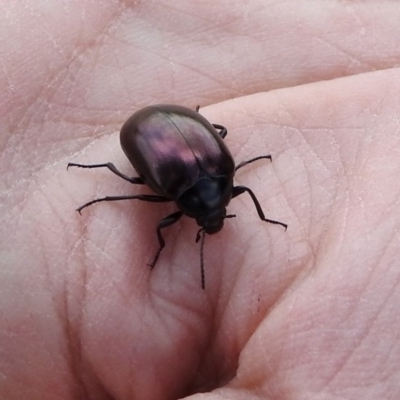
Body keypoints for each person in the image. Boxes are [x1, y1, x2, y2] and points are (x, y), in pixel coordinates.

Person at [1, 2, 400, 399]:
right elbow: (160, 212)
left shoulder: (221, 173)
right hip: (156, 127)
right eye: (216, 215)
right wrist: (109, 198)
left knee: (153, 191)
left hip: (162, 128)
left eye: (213, 216)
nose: (216, 221)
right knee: (133, 184)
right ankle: (103, 183)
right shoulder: (211, 181)